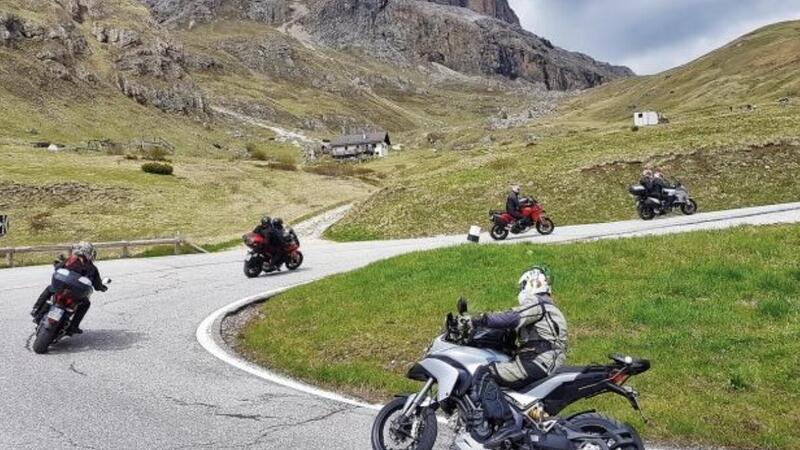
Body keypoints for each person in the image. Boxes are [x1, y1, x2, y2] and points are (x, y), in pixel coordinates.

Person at [468, 266, 568, 448]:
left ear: (531, 284)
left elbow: (512, 317)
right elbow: (513, 331)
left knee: (484, 373)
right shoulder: (546, 307)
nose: (520, 291)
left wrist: (480, 319)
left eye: (522, 286)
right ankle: (526, 424)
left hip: (538, 360)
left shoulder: (538, 303)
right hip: (543, 360)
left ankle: (507, 425)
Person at [30, 242, 107, 334]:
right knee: (86, 304)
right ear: (89, 253)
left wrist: (57, 264)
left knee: (50, 289)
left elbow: (58, 268)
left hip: (63, 288)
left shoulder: (70, 260)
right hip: (75, 293)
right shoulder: (92, 267)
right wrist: (103, 288)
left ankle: (36, 309)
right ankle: (74, 326)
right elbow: (97, 285)